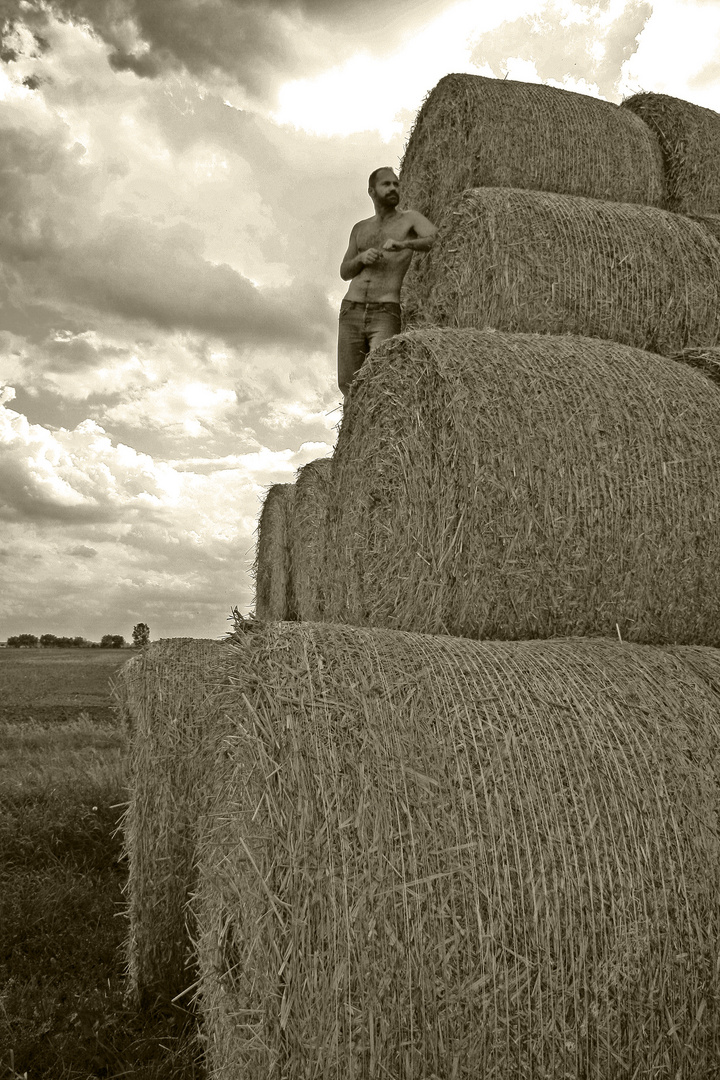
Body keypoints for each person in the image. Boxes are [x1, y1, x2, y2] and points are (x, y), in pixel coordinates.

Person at [337, 167, 437, 398]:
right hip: (351, 308)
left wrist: (405, 245)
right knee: (348, 383)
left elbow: (435, 238)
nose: (393, 188)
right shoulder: (360, 228)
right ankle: (359, 431)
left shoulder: (409, 220)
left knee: (382, 375)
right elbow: (344, 271)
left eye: (396, 184)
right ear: (372, 191)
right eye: (386, 184)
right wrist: (361, 259)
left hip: (385, 310)